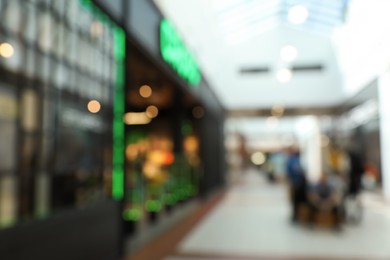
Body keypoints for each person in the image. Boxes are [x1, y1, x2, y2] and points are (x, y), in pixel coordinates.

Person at [285, 147, 306, 223]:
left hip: (300, 183)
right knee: (295, 200)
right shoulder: (293, 160)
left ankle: (298, 215)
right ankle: (295, 215)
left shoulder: (297, 160)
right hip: (295, 183)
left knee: (297, 200)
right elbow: (289, 172)